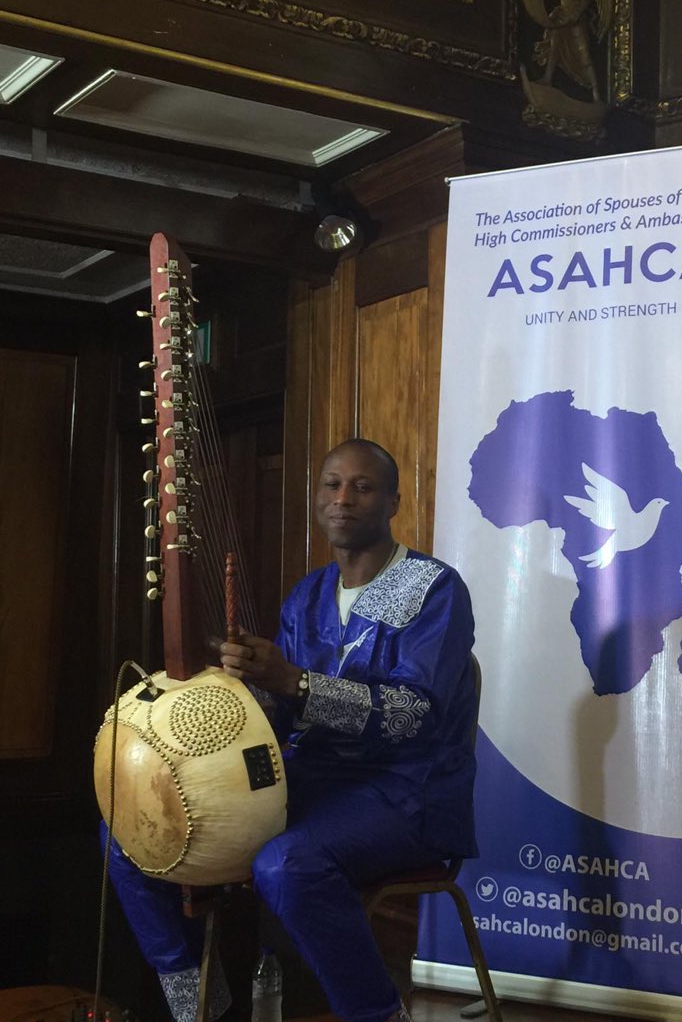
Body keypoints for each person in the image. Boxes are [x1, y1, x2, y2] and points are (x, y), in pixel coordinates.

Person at [103, 438, 478, 1022]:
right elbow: (278, 715)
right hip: (309, 781)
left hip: (409, 791)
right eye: (331, 484)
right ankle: (201, 1009)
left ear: (394, 502)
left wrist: (295, 682)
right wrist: (239, 685)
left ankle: (379, 1014)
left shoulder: (435, 588)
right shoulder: (308, 595)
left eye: (363, 486)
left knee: (285, 864)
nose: (343, 499)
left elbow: (411, 715)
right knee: (129, 833)